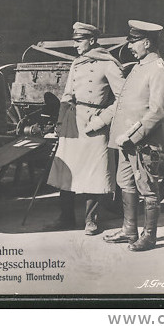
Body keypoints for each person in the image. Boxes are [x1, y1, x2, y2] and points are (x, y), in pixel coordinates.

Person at [44, 22, 126, 235]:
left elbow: (122, 98)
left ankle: (91, 220)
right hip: (74, 122)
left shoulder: (108, 63)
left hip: (95, 123)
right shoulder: (77, 64)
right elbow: (67, 94)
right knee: (66, 170)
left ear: (91, 40)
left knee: (94, 173)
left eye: (79, 41)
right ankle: (66, 217)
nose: (75, 45)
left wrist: (102, 120)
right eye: (75, 41)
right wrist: (61, 122)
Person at [104, 20, 164, 252]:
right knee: (126, 183)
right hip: (126, 141)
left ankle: (149, 236)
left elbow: (158, 111)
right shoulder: (140, 66)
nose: (130, 46)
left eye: (134, 42)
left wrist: (133, 136)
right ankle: (129, 230)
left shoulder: (159, 70)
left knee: (148, 188)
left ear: (147, 42)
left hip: (143, 142)